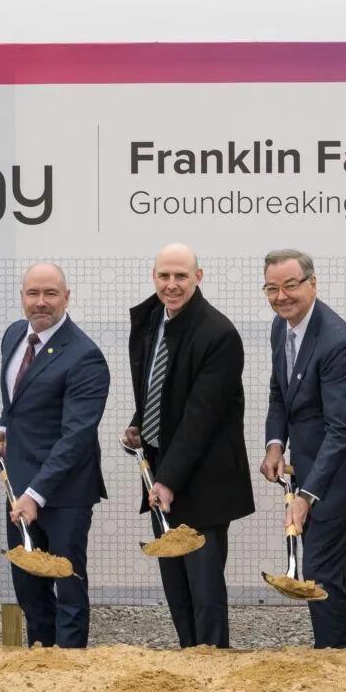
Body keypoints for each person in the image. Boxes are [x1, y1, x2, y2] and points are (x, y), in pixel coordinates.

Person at [126, 243, 254, 648]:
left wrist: (167, 480)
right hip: (163, 476)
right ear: (154, 277)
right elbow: (161, 391)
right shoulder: (151, 322)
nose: (172, 284)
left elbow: (200, 417)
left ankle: (212, 667)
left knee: (204, 588)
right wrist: (138, 425)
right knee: (175, 586)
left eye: (181, 276)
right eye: (164, 276)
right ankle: (188, 657)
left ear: (198, 277)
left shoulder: (219, 334)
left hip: (204, 482)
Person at [260, 249, 346, 649]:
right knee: (326, 566)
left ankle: (333, 660)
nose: (282, 296)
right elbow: (281, 393)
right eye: (272, 288)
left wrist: (307, 496)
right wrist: (275, 445)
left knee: (319, 567)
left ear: (313, 284)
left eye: (290, 285)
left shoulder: (338, 343)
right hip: (315, 466)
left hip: (344, 474)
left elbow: (342, 430)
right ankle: (336, 651)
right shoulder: (282, 329)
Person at [0, 262, 110, 648]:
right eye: (33, 294)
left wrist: (37, 493)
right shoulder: (14, 336)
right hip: (19, 488)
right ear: (23, 296)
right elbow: (18, 401)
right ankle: (40, 659)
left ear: (66, 297)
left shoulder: (85, 356)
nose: (41, 303)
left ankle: (70, 670)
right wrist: (5, 430)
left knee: (67, 586)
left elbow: (76, 436)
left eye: (50, 294)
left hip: (64, 494)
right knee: (28, 586)